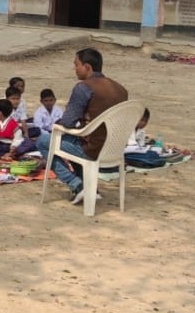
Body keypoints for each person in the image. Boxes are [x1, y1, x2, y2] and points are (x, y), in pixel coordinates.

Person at [38, 47, 130, 205]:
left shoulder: (84, 87)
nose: (74, 69)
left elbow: (68, 122)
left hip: (92, 148)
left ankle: (77, 184)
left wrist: (57, 124)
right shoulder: (121, 89)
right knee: (71, 139)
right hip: (115, 148)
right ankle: (90, 188)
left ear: (87, 67)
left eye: (76, 64)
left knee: (43, 141)